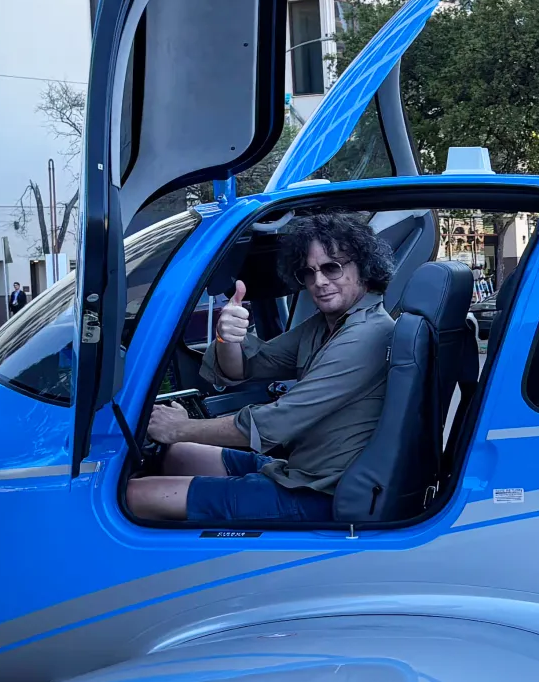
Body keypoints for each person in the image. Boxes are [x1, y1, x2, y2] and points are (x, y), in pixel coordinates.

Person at [127, 212, 396, 525]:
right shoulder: (326, 326)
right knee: (177, 455)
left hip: (322, 493)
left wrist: (179, 428)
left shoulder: (367, 334)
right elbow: (246, 367)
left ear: (363, 269)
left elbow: (276, 423)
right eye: (308, 273)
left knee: (133, 495)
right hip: (295, 473)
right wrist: (227, 337)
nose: (319, 282)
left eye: (331, 268)